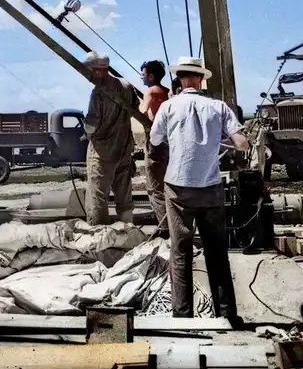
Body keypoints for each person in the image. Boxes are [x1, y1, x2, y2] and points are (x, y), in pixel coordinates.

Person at [149, 56, 249, 324]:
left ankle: (183, 318)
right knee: (217, 252)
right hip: (210, 186)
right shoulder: (218, 107)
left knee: (180, 252)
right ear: (201, 79)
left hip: (178, 187)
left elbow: (155, 140)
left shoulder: (168, 106)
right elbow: (241, 144)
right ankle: (226, 315)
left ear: (179, 79)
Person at [83, 51, 136, 226]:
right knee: (124, 195)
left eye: (89, 71)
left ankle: (99, 235)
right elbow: (134, 109)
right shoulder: (126, 85)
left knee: (97, 196)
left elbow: (91, 125)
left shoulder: (98, 92)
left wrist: (86, 131)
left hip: (102, 152)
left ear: (97, 70)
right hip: (124, 148)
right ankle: (128, 229)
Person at [140, 59, 171, 238]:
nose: (142, 78)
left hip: (154, 141)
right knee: (167, 184)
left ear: (151, 76)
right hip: (168, 142)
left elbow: (143, 111)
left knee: (154, 188)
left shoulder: (151, 91)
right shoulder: (167, 92)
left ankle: (165, 228)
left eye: (143, 75)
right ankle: (170, 223)